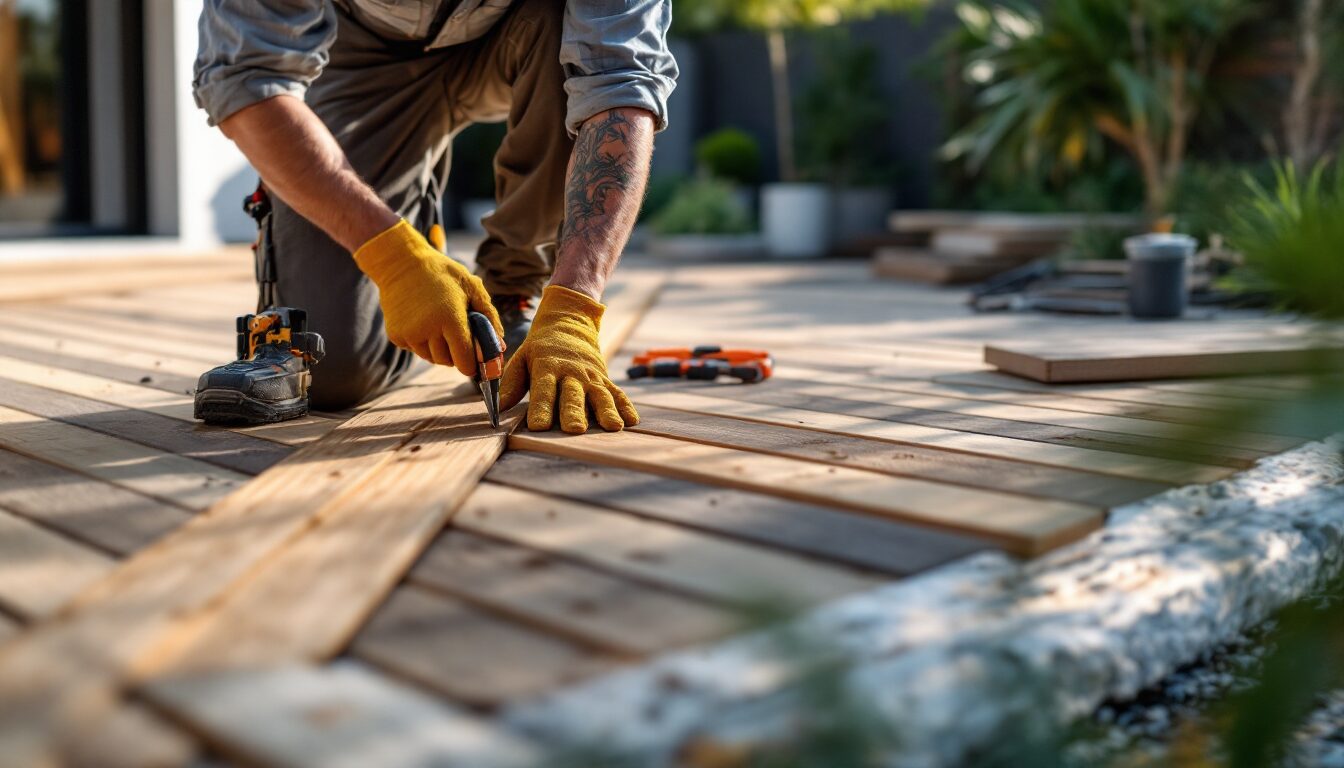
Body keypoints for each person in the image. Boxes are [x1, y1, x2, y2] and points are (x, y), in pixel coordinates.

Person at [193, 0, 675, 433]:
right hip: (360, 52)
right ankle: (410, 230)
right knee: (334, 371)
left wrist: (574, 307)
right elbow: (245, 78)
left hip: (517, 35)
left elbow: (621, 83)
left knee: (557, 19)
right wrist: (396, 259)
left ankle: (513, 289)